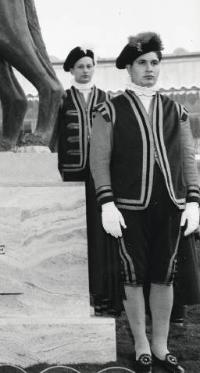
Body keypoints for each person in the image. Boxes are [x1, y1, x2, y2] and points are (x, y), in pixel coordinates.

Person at [90, 32, 199, 373]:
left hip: (170, 206)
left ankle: (161, 343)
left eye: (154, 63)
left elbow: (188, 157)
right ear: (129, 68)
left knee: (164, 276)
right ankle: (140, 345)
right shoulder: (109, 110)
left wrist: (194, 200)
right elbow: (99, 160)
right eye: (142, 63)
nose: (149, 69)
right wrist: (107, 202)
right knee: (133, 277)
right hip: (128, 208)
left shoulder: (176, 110)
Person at [54, 46, 121, 315]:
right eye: (80, 66)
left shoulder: (107, 99)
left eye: (89, 66)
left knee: (100, 236)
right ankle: (71, 291)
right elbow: (53, 137)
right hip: (69, 176)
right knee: (71, 234)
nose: (85, 71)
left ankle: (103, 294)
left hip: (99, 177)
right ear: (71, 70)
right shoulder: (60, 98)